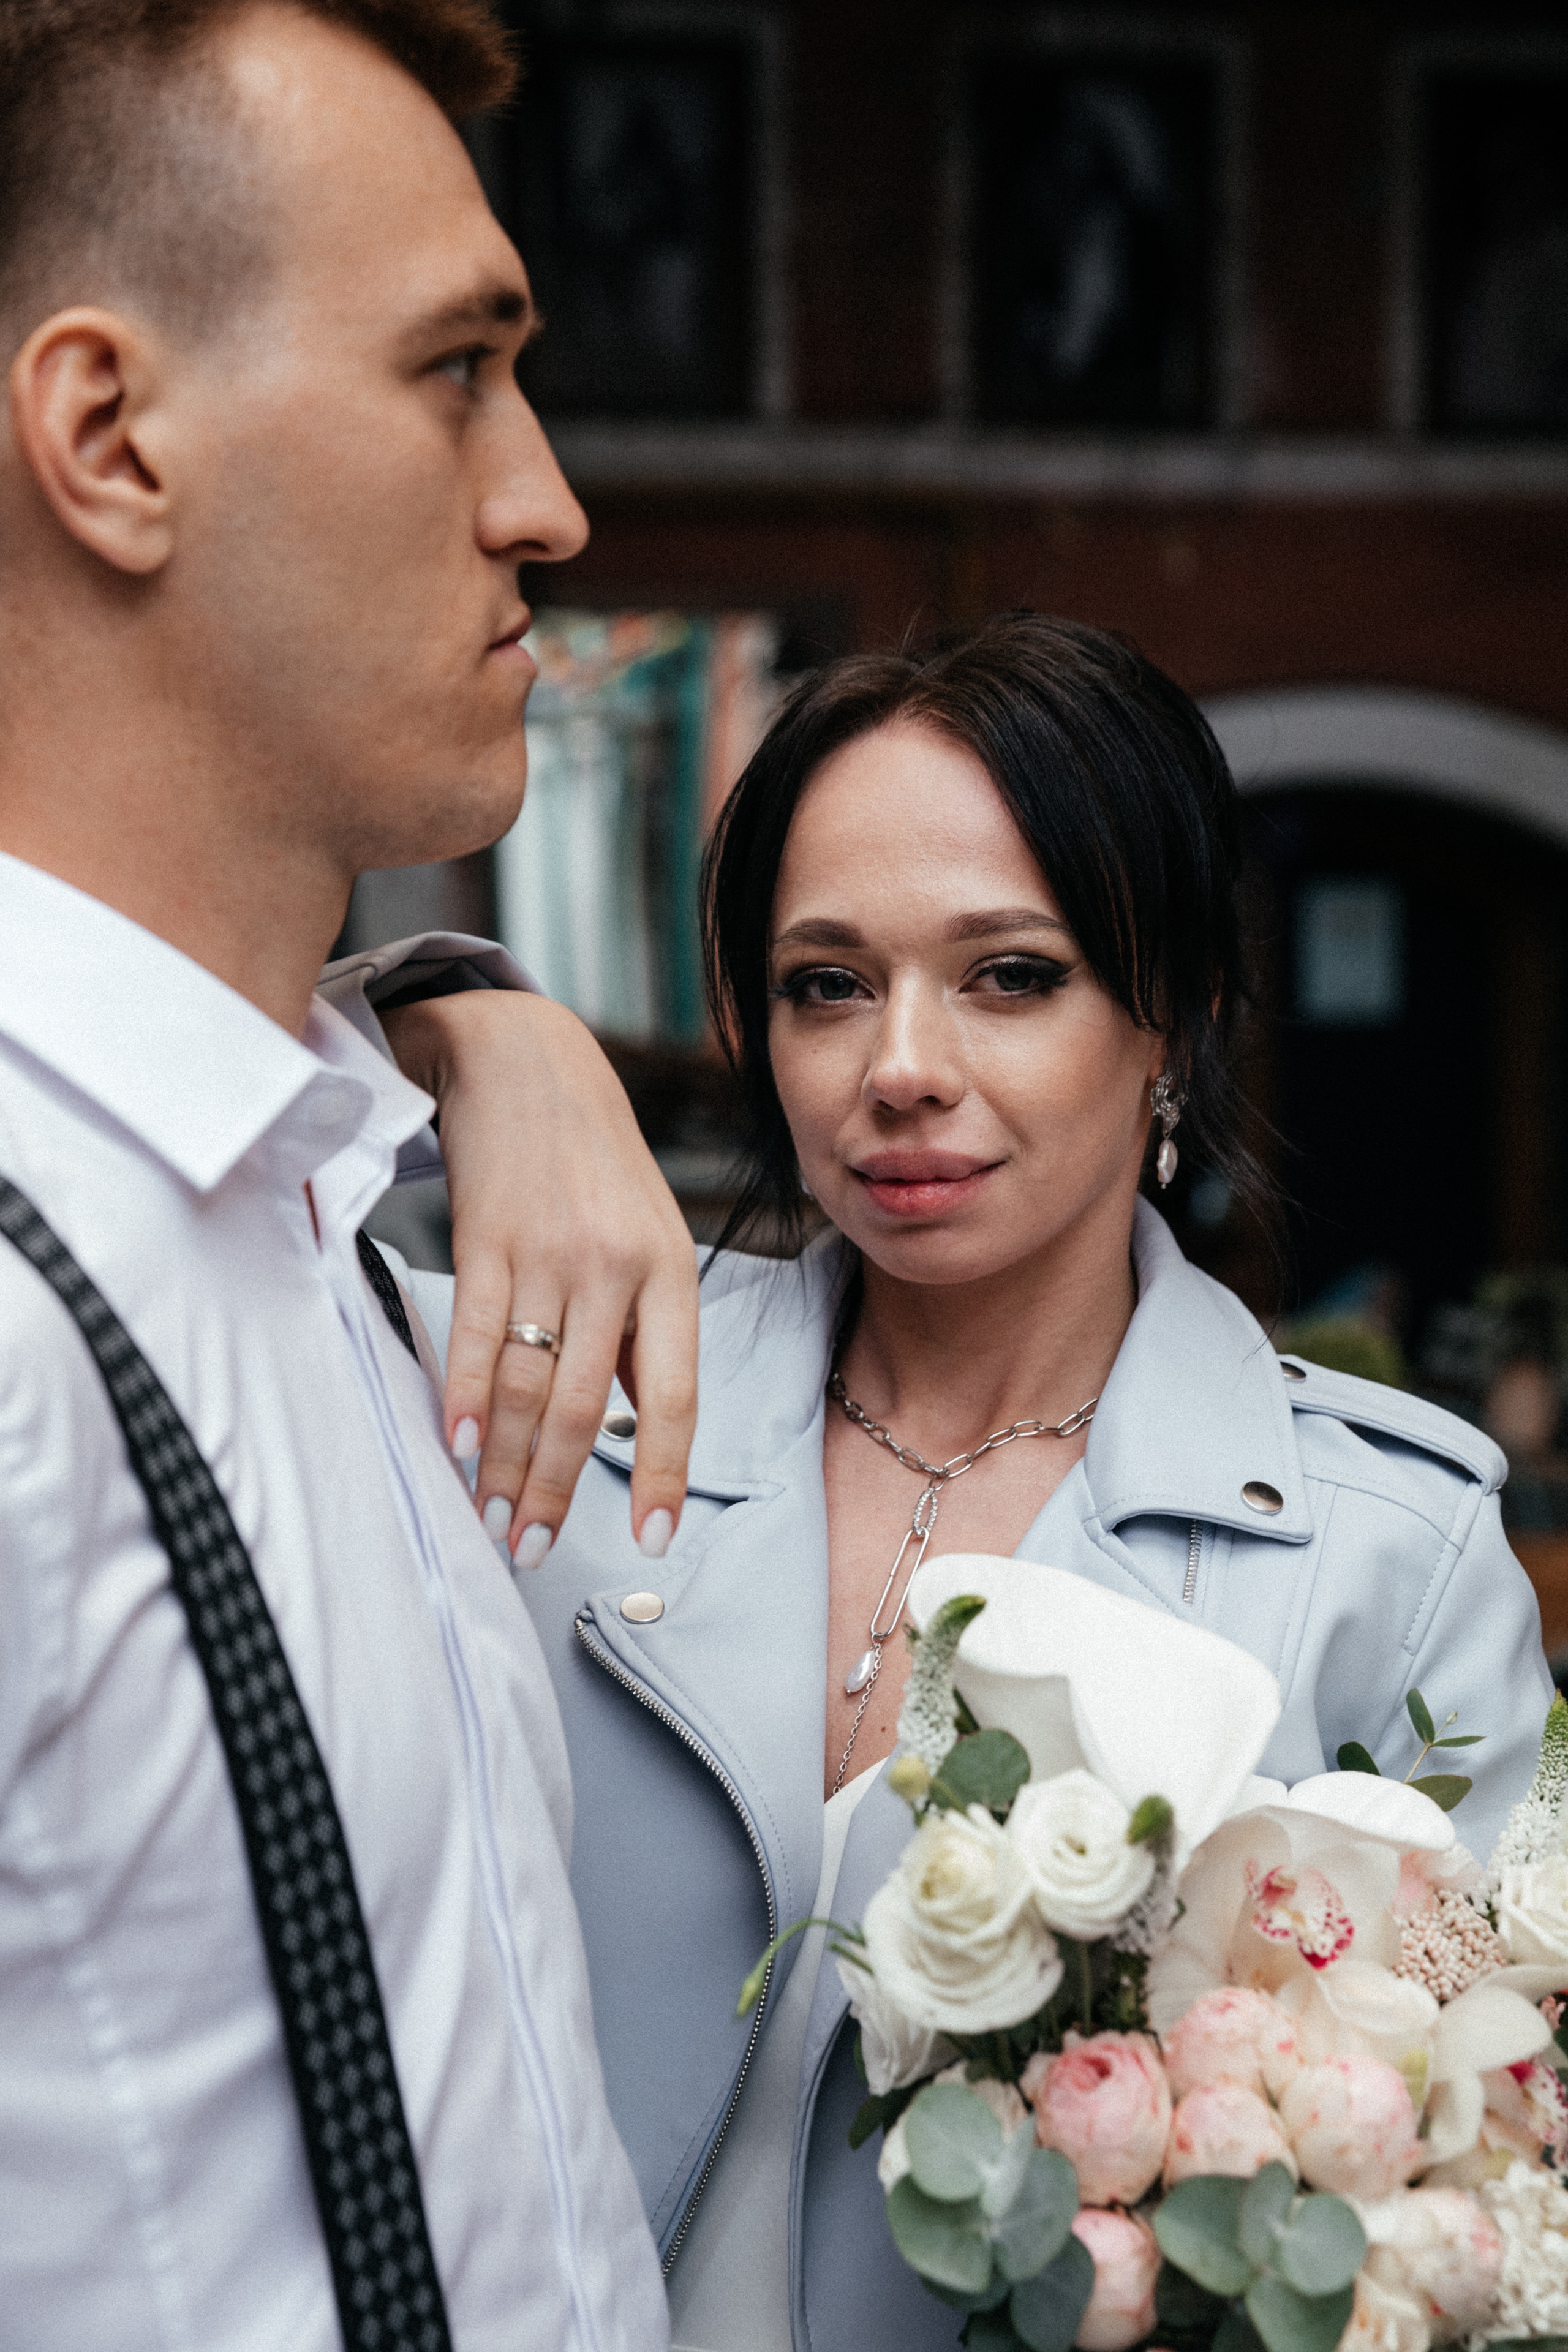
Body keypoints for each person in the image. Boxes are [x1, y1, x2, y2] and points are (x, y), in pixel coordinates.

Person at [391, 614, 1555, 2352]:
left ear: (1175, 1021)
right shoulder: (549, 1384)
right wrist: (474, 1031)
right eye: (827, 984)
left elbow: (1492, 2169)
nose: (901, 1067)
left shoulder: (1395, 1553)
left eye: (1010, 975)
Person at [0, 3, 696, 2344]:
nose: (548, 502)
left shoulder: (319, 1210)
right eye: (456, 371)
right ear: (111, 440)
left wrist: (466, 1015)